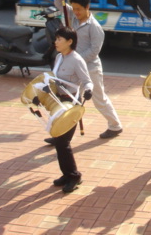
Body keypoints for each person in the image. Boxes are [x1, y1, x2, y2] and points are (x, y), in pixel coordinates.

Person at [53, 0, 122, 140]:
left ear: (87, 7)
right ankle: (62, 133)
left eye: (79, 9)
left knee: (99, 99)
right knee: (70, 100)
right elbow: (59, 4)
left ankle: (115, 125)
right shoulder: (71, 16)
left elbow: (94, 51)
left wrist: (75, 60)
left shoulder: (95, 27)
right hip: (74, 69)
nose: (75, 12)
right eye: (74, 9)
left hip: (90, 69)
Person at [50, 26, 93, 193]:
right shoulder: (59, 57)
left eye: (59, 39)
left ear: (70, 41)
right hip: (58, 104)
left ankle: (74, 176)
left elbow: (87, 81)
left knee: (63, 142)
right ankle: (67, 174)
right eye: (56, 39)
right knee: (59, 141)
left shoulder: (77, 60)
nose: (56, 42)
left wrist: (88, 90)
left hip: (71, 105)